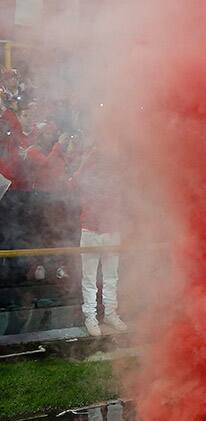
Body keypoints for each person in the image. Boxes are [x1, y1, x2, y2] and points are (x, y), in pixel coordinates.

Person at [72, 142, 127, 336]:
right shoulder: (88, 170)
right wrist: (90, 158)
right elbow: (74, 182)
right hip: (91, 229)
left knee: (111, 276)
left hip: (112, 229)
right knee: (90, 277)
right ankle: (91, 316)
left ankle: (110, 313)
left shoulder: (118, 170)